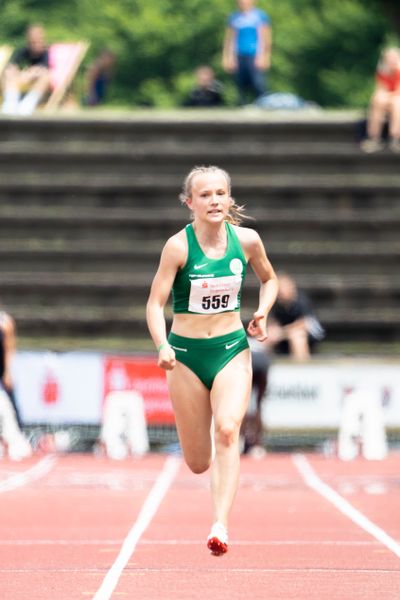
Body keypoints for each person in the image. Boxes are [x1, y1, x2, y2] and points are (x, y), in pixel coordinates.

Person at [146, 165, 278, 555]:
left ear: (230, 198)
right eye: (205, 195)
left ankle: (220, 525)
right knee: (199, 462)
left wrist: (263, 311)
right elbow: (155, 304)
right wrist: (162, 345)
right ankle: (207, 473)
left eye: (221, 193)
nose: (215, 200)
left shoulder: (248, 241)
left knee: (227, 429)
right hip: (185, 357)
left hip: (231, 350)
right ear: (190, 202)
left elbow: (269, 279)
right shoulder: (178, 247)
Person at [222, 0, 272, 105]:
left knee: (258, 84)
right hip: (239, 55)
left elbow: (266, 38)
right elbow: (229, 39)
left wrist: (264, 56)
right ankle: (242, 108)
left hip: (255, 56)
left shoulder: (260, 16)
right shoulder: (234, 17)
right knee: (240, 85)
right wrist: (228, 57)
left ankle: (263, 105)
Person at [268, 273, 325, 361]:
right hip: (285, 334)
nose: (281, 291)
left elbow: (304, 324)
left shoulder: (301, 301)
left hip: (310, 334)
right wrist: (274, 332)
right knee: (268, 336)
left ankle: (301, 367)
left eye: (283, 287)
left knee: (297, 336)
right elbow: (273, 322)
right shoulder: (275, 303)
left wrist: (283, 332)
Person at [1, 24, 51, 116]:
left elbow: (45, 68)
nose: (35, 43)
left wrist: (29, 74)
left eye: (38, 40)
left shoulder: (47, 52)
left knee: (45, 75)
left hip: (38, 81)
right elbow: (12, 65)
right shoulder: (23, 51)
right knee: (8, 72)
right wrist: (20, 74)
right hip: (21, 80)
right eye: (33, 41)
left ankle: (27, 105)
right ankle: (10, 104)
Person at [360, 47, 400, 153]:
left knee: (397, 104)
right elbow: (381, 89)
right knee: (378, 100)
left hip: (396, 99)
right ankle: (374, 137)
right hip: (388, 98)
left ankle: (395, 137)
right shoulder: (382, 72)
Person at [240, 336, 270, 457]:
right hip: (263, 361)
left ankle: (239, 441)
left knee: (241, 405)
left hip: (248, 359)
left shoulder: (234, 328)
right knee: (258, 405)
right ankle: (258, 444)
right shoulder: (261, 333)